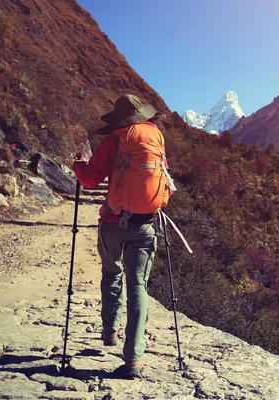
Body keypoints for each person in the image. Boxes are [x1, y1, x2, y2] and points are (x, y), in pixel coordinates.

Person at [73, 94, 167, 379]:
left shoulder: (110, 142)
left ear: (120, 119)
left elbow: (89, 180)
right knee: (138, 285)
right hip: (144, 224)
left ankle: (110, 331)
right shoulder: (154, 138)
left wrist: (78, 164)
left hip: (112, 222)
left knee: (111, 273)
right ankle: (134, 358)